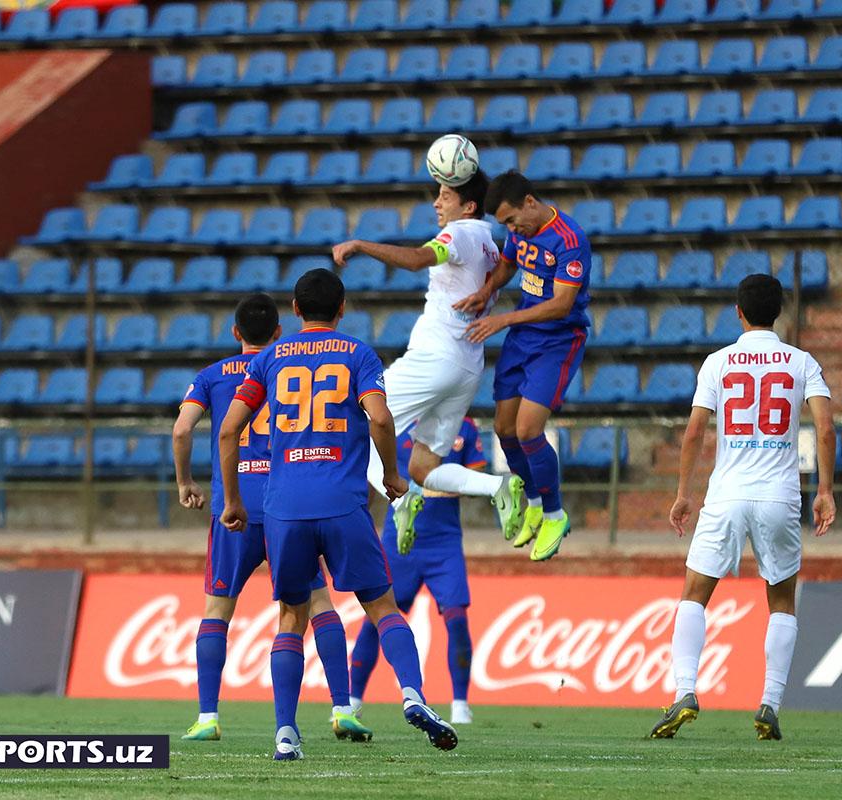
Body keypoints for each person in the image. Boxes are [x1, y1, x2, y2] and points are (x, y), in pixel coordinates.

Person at [218, 269, 457, 761]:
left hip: (284, 509)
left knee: (290, 617)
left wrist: (233, 500)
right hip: (343, 505)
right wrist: (392, 475)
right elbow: (383, 418)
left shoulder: (266, 360)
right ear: (343, 308)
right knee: (382, 607)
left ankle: (286, 733)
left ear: (296, 309)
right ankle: (413, 694)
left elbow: (227, 432)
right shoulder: (358, 355)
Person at [172, 293, 369, 744]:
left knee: (218, 610)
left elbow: (182, 429)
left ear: (235, 333)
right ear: (279, 331)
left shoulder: (211, 376)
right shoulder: (287, 364)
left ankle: (207, 717)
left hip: (233, 507)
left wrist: (185, 483)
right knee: (316, 604)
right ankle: (342, 707)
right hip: (287, 506)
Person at [649, 274, 837, 742]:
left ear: (738, 311)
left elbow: (693, 432)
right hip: (779, 494)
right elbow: (827, 430)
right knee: (781, 601)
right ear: (781, 313)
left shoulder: (718, 362)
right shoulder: (801, 362)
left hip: (727, 493)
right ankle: (769, 704)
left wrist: (683, 493)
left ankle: (685, 692)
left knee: (694, 593)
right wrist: (826, 491)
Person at [331, 172, 525, 554]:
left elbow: (419, 259)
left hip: (434, 358)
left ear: (468, 206)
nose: (437, 203)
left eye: (445, 196)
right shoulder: (488, 240)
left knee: (351, 424)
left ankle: (400, 501)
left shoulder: (460, 234)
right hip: (467, 366)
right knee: (423, 467)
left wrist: (360, 244)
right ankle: (498, 486)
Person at [454, 171, 593, 562]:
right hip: (524, 334)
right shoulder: (521, 231)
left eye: (513, 220)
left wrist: (502, 319)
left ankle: (554, 513)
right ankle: (533, 499)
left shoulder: (569, 239)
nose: (511, 230)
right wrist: (487, 292)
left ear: (529, 202)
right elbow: (509, 264)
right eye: (505, 225)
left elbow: (563, 303)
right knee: (503, 429)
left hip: (558, 340)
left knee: (529, 429)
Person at [348, 418, 486, 726]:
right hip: (398, 540)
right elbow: (374, 472)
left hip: (445, 541)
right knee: (377, 618)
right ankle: (353, 698)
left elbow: (475, 474)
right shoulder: (396, 419)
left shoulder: (462, 425)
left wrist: (439, 486)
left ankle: (461, 703)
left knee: (457, 618)